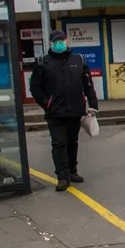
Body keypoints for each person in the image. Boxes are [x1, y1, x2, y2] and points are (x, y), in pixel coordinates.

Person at [29, 29, 98, 192]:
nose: (59, 43)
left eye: (61, 40)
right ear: (51, 44)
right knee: (59, 143)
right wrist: (47, 103)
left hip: (75, 110)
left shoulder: (79, 60)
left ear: (67, 41)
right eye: (55, 41)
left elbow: (88, 84)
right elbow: (35, 87)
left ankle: (72, 171)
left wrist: (93, 105)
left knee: (73, 142)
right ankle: (62, 176)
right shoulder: (43, 62)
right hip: (55, 112)